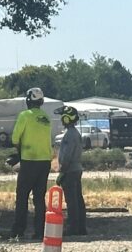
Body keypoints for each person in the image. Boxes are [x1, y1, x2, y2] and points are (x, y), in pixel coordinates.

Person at [10, 86, 53, 240]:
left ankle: (18, 230)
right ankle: (40, 230)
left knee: (22, 196)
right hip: (45, 161)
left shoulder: (25, 116)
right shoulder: (46, 117)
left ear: (28, 101)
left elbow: (15, 138)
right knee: (39, 198)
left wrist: (19, 151)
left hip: (29, 161)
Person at [57, 105, 88, 236]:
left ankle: (73, 228)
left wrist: (62, 171)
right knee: (78, 199)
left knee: (72, 200)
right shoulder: (75, 133)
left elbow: (67, 155)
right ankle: (81, 227)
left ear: (67, 118)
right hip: (76, 169)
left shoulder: (69, 135)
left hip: (70, 170)